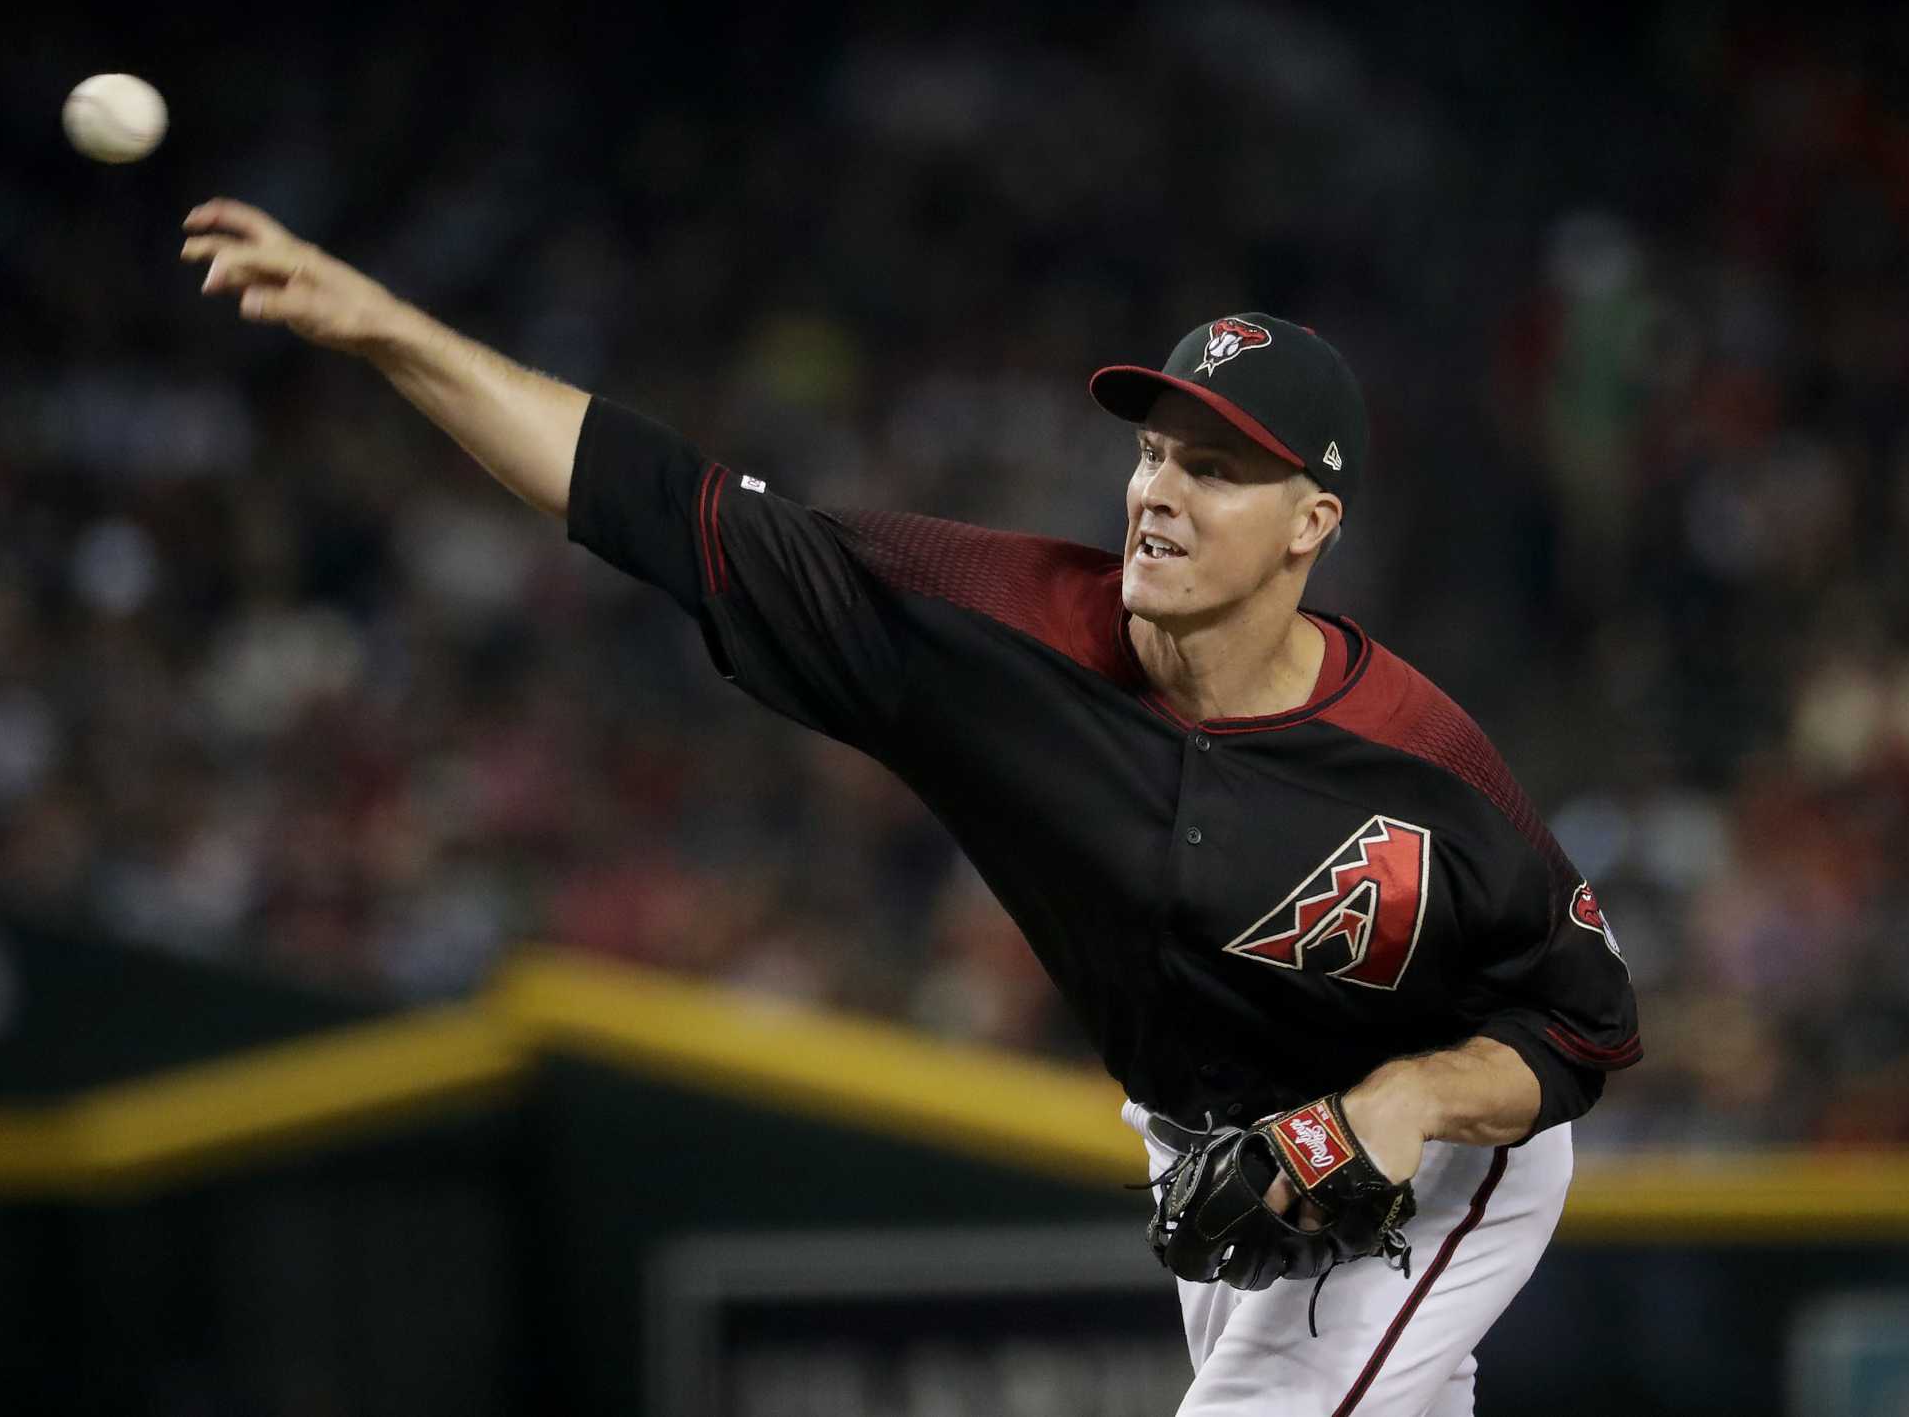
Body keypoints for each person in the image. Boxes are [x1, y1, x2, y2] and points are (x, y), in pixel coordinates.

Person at [181, 199, 1641, 1417]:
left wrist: (1406, 1099)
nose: (1157, 492)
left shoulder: (1424, 766)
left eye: (1215, 469)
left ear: (1312, 523)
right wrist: (385, 329)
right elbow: (658, 505)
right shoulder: (986, 630)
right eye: (1150, 451)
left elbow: (1587, 1021)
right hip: (1208, 1136)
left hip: (1445, 1156)